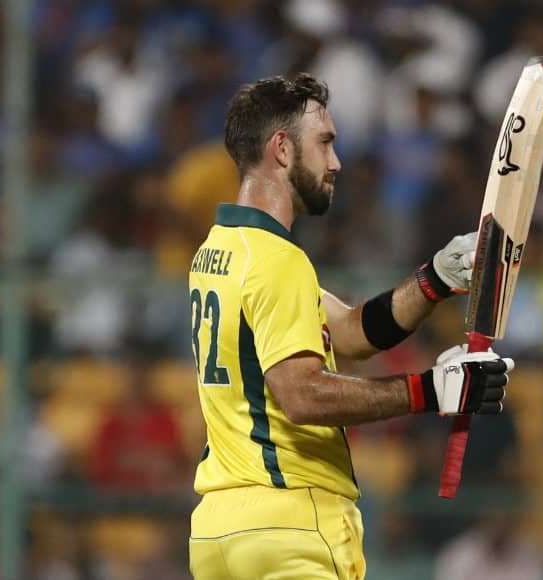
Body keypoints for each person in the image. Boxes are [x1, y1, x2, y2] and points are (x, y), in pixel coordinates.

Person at [187, 73, 514, 580]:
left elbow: (349, 332)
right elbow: (303, 395)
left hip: (219, 532)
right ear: (281, 148)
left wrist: (436, 278)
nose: (336, 162)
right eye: (325, 143)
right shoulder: (277, 261)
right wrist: (430, 390)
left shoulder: (220, 250)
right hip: (292, 523)